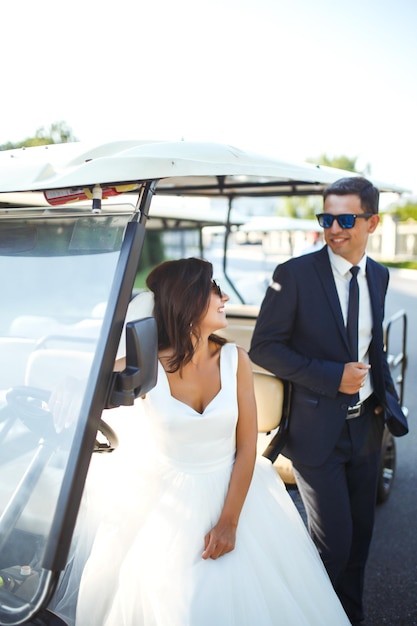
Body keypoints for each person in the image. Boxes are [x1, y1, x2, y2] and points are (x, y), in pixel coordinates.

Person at [56, 257, 350, 626]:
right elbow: (91, 381)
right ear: (189, 299)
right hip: (166, 501)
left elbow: (247, 447)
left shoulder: (234, 359)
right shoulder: (144, 365)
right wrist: (72, 383)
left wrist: (229, 521)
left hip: (237, 493)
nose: (225, 296)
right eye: (215, 290)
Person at [249, 177, 408, 625]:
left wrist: (386, 402)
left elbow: (373, 345)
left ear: (372, 222)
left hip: (367, 428)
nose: (333, 229)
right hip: (316, 434)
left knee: (359, 545)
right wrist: (331, 376)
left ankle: (349, 618)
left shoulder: (378, 274)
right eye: (326, 218)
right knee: (332, 546)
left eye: (345, 219)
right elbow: (264, 347)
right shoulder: (294, 275)